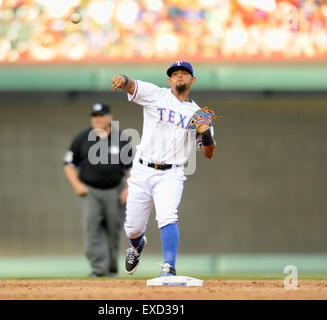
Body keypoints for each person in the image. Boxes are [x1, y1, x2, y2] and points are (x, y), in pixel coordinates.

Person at [111, 61, 216, 277]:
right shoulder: (156, 95)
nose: (179, 76)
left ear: (192, 80)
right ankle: (137, 245)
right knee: (132, 228)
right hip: (142, 171)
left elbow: (208, 152)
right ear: (169, 80)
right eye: (175, 74)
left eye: (184, 74)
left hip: (172, 173)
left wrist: (205, 134)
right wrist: (122, 79)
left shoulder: (198, 114)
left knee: (167, 216)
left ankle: (169, 266)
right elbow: (131, 85)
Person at [63, 103, 133, 277]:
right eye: (95, 116)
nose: (98, 119)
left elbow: (132, 169)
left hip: (115, 191)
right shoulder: (82, 138)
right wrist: (77, 185)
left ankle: (110, 269)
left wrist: (128, 189)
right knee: (92, 229)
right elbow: (69, 164)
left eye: (102, 115)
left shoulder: (122, 139)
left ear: (110, 117)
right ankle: (98, 269)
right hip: (91, 191)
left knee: (113, 230)